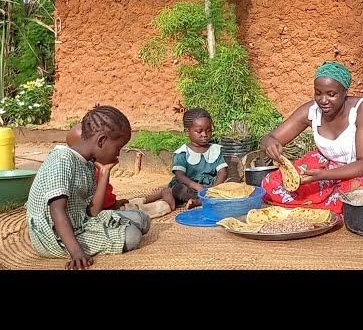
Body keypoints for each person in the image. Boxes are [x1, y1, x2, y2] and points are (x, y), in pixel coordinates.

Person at [26, 106, 150, 269]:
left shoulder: (88, 165)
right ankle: (79, 245)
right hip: (54, 237)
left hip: (80, 223)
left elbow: (93, 212)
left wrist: (104, 173)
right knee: (132, 235)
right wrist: (76, 253)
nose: (118, 155)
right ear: (101, 141)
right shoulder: (62, 159)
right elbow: (57, 211)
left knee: (142, 219)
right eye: (118, 148)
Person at [261, 61, 363, 214]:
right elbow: (270, 138)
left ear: (345, 93)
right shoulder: (311, 111)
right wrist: (270, 143)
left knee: (350, 194)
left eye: (331, 94)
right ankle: (317, 203)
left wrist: (323, 176)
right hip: (325, 169)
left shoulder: (362, 109)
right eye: (318, 93)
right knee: (271, 183)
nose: (323, 100)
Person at [66, 122, 175, 218]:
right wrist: (117, 204)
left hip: (108, 206)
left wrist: (117, 203)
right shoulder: (96, 170)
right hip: (106, 211)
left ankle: (160, 194)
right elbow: (104, 204)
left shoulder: (83, 167)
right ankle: (166, 204)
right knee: (137, 210)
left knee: (130, 204)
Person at [169, 108, 229, 209]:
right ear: (187, 132)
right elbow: (179, 175)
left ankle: (200, 202)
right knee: (179, 189)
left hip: (212, 186)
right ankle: (206, 200)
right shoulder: (183, 152)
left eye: (208, 130)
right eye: (199, 131)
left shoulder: (215, 150)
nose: (205, 135)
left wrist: (214, 187)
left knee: (231, 184)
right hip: (191, 187)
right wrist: (196, 186)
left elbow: (222, 171)